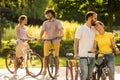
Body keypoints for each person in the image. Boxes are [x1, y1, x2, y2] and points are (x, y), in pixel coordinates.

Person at [74, 11, 97, 80]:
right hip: (83, 56)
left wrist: (94, 48)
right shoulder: (80, 29)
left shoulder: (94, 29)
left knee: (90, 76)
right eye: (95, 18)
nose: (96, 20)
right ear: (90, 18)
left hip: (92, 56)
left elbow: (97, 40)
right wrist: (75, 53)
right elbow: (76, 42)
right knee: (84, 75)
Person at [39, 8, 63, 75]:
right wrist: (40, 37)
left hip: (55, 40)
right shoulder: (45, 23)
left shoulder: (57, 22)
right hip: (47, 40)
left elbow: (60, 29)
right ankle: (45, 70)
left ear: (52, 14)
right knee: (46, 56)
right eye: (46, 14)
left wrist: (60, 35)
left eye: (49, 14)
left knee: (56, 56)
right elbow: (42, 31)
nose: (47, 15)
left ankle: (57, 71)